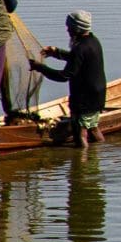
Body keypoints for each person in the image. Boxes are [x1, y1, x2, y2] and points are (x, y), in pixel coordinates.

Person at [29, 11, 106, 148]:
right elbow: (77, 59)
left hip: (84, 99)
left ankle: (81, 165)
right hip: (98, 95)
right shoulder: (93, 41)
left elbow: (64, 76)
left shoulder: (80, 48)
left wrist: (40, 68)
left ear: (76, 29)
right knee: (92, 127)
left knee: (79, 132)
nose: (67, 30)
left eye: (69, 27)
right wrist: (57, 52)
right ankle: (98, 155)